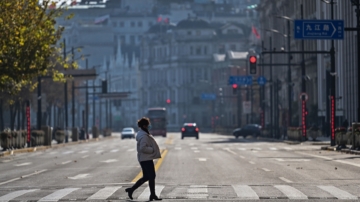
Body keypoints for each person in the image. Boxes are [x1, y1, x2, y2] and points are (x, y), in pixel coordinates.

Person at [125, 117, 162, 201]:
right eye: (148, 125)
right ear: (145, 126)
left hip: (144, 158)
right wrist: (151, 150)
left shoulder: (143, 134)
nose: (149, 126)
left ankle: (131, 190)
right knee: (151, 176)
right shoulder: (144, 136)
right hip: (146, 159)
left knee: (147, 177)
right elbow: (142, 148)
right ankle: (152, 195)